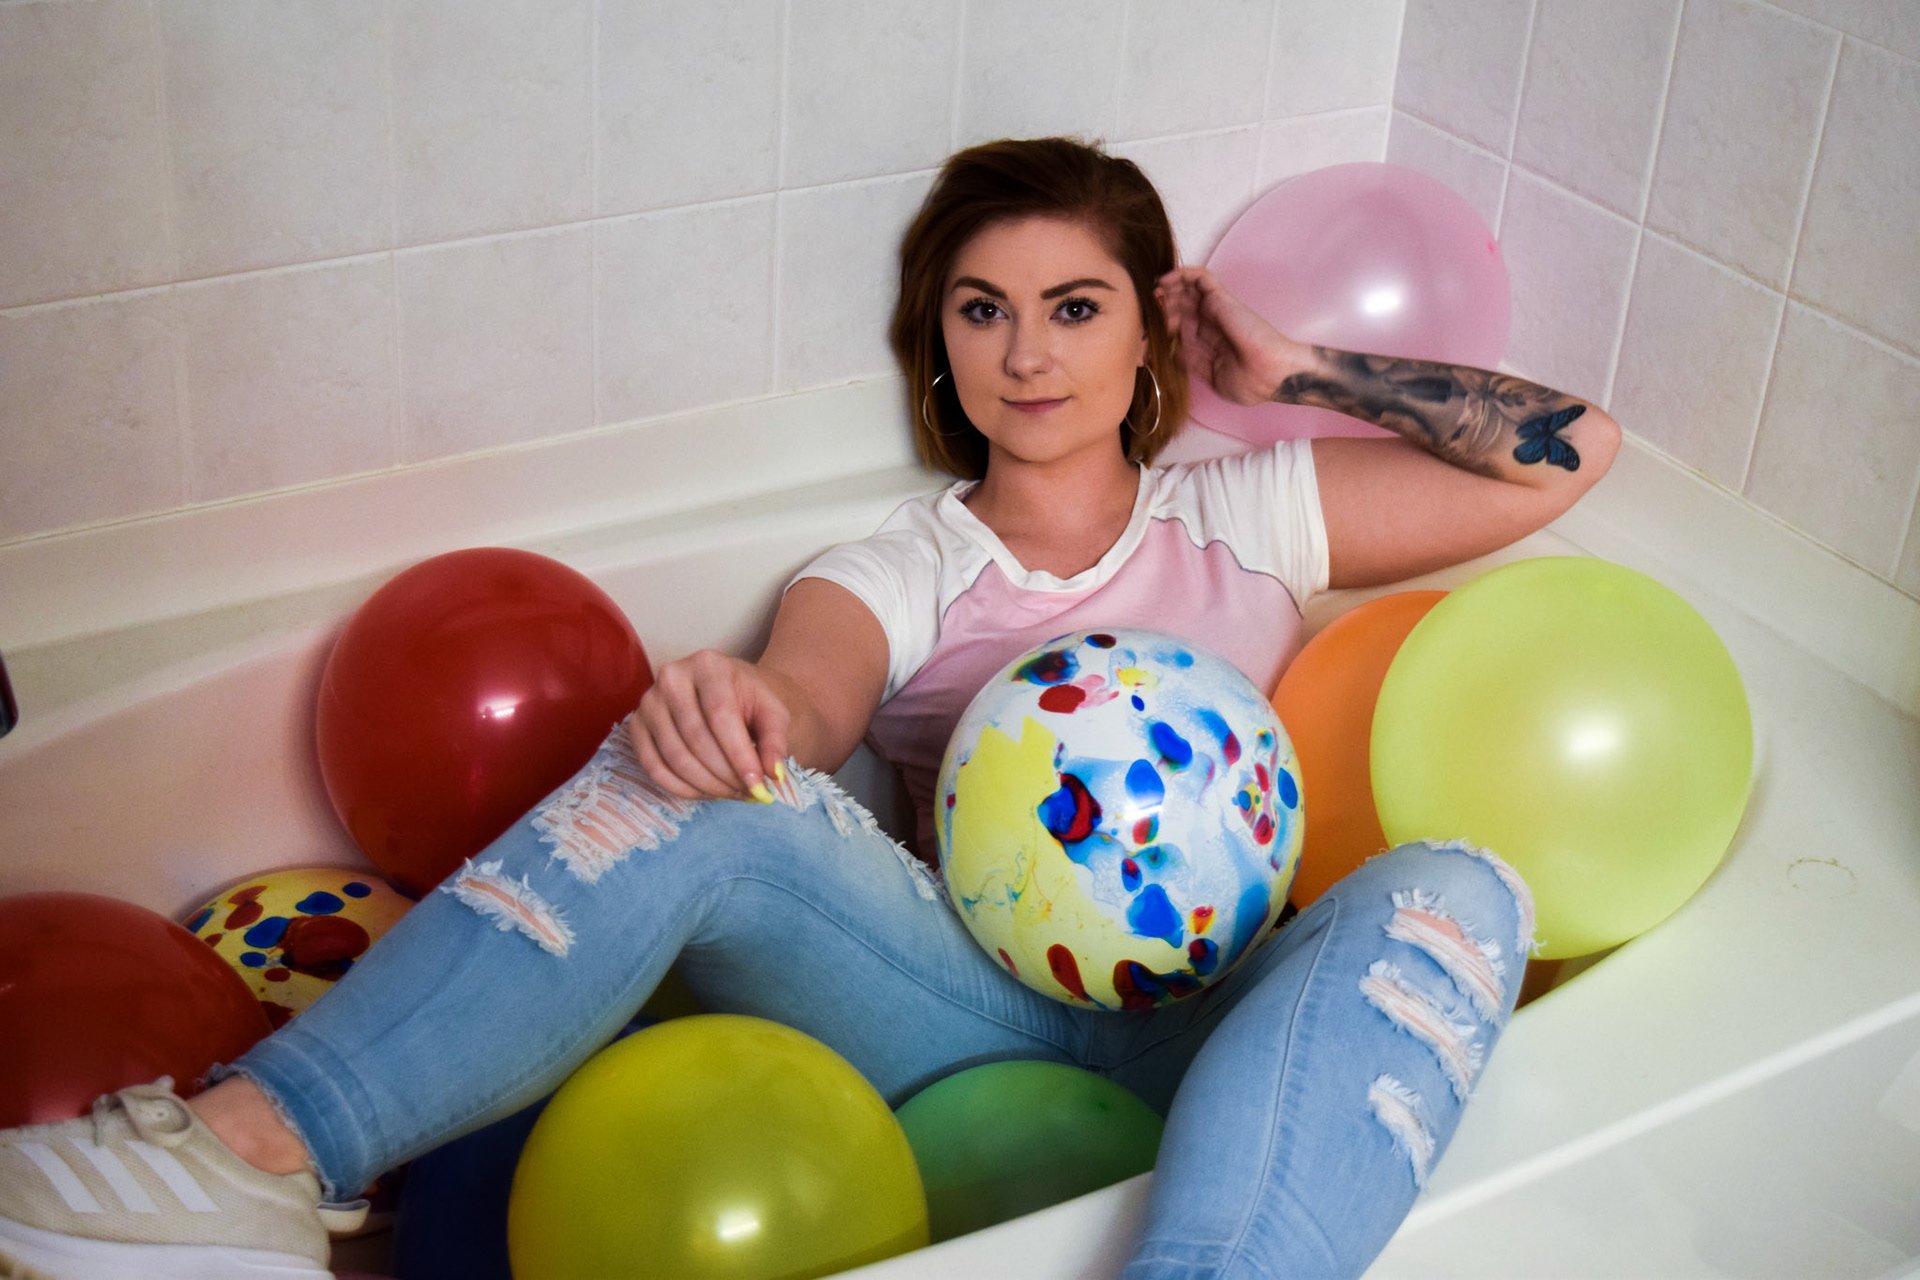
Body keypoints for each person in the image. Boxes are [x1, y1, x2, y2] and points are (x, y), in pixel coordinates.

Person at [0, 137, 1618, 1280]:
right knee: (701, 776)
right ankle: (247, 1157)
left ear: (1151, 332)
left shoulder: (1248, 511)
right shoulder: (901, 564)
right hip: (973, 1019)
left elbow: (1574, 453)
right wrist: (730, 704)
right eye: (983, 308)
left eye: (1075, 305)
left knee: (1461, 886)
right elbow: (805, 698)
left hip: (1238, 1024)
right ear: (940, 344)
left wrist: (1296, 373)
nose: (1028, 353)